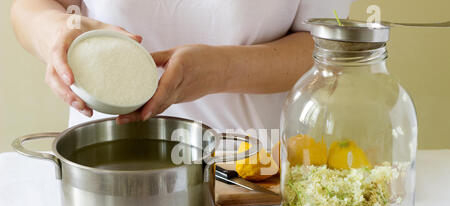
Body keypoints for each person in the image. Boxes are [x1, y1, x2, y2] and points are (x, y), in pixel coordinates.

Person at [11, 0, 353, 131]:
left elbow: (325, 46)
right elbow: (31, 7)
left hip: (255, 178)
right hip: (105, 170)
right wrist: (56, 30)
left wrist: (222, 69)